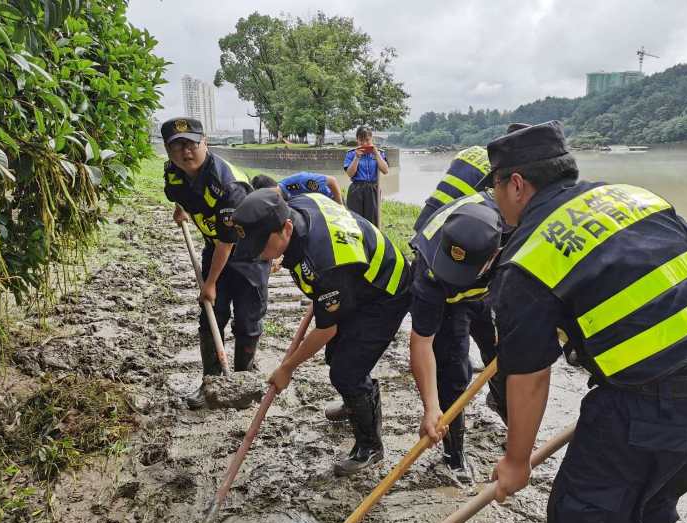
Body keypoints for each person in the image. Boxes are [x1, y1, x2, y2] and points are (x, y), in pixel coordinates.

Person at [484, 121, 687, 523]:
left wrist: (516, 462)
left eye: (495, 187)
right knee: (651, 503)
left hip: (647, 408)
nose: (495, 200)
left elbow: (530, 377)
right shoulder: (631, 197)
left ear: (516, 184)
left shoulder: (529, 254)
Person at [230, 187, 411, 476]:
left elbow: (326, 329)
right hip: (354, 281)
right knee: (335, 355)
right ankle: (356, 403)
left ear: (286, 228)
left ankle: (370, 446)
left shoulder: (324, 264)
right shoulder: (299, 205)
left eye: (261, 245)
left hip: (385, 291)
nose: (258, 254)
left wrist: (287, 368)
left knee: (347, 371)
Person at [162, 117, 270, 408]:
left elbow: (228, 241)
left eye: (192, 144)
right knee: (211, 316)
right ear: (168, 150)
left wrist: (210, 284)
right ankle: (211, 383)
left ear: (205, 143)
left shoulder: (227, 185)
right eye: (178, 146)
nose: (186, 152)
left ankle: (242, 382)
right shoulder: (173, 171)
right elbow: (178, 192)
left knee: (247, 319)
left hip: (248, 252)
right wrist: (181, 208)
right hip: (216, 246)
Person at [410, 193, 504, 483]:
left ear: (495, 255)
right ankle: (454, 455)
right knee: (452, 372)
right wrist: (431, 408)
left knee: (505, 356)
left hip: (491, 290)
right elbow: (421, 342)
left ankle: (504, 406)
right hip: (448, 302)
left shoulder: (520, 234)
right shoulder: (429, 269)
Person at [412, 145, 492, 232]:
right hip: (454, 216)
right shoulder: (497, 167)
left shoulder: (471, 150)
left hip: (432, 206)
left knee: (421, 234)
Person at [344, 125, 389, 226]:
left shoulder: (379, 153)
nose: (364, 143)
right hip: (356, 189)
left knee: (372, 220)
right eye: (361, 140)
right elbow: (350, 173)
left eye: (367, 140)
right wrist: (356, 158)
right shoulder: (351, 154)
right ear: (357, 139)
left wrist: (376, 154)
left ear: (371, 138)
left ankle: (373, 236)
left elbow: (385, 170)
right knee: (355, 220)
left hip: (373, 189)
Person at [277, 172, 344, 204]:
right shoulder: (285, 193)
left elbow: (332, 180)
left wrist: (339, 204)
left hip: (332, 198)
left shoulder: (305, 182)